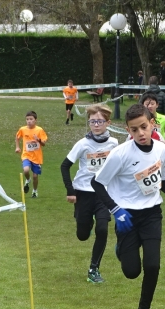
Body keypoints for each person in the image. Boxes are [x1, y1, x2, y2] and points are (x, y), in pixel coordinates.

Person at [91, 103, 165, 309]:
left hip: (152, 214)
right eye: (134, 130)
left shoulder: (163, 150)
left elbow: (160, 180)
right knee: (132, 272)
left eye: (144, 127)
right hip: (127, 217)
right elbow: (96, 183)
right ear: (128, 130)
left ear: (152, 123)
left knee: (153, 265)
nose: (140, 133)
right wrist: (116, 210)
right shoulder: (120, 154)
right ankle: (122, 250)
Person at [60, 104, 119, 284]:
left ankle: (94, 269)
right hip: (83, 192)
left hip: (103, 193)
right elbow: (64, 166)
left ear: (107, 123)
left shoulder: (114, 144)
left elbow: (119, 167)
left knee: (102, 229)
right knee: (83, 235)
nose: (96, 125)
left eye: (99, 121)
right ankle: (85, 222)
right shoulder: (83, 144)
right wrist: (70, 191)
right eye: (92, 121)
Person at [15, 111, 48, 198]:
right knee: (26, 170)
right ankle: (28, 180)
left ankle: (34, 191)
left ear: (35, 120)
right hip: (26, 155)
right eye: (27, 119)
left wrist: (39, 140)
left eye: (31, 119)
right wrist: (17, 147)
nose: (29, 121)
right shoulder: (23, 129)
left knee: (35, 176)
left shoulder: (39, 130)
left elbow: (44, 143)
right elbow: (17, 137)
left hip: (37, 157)